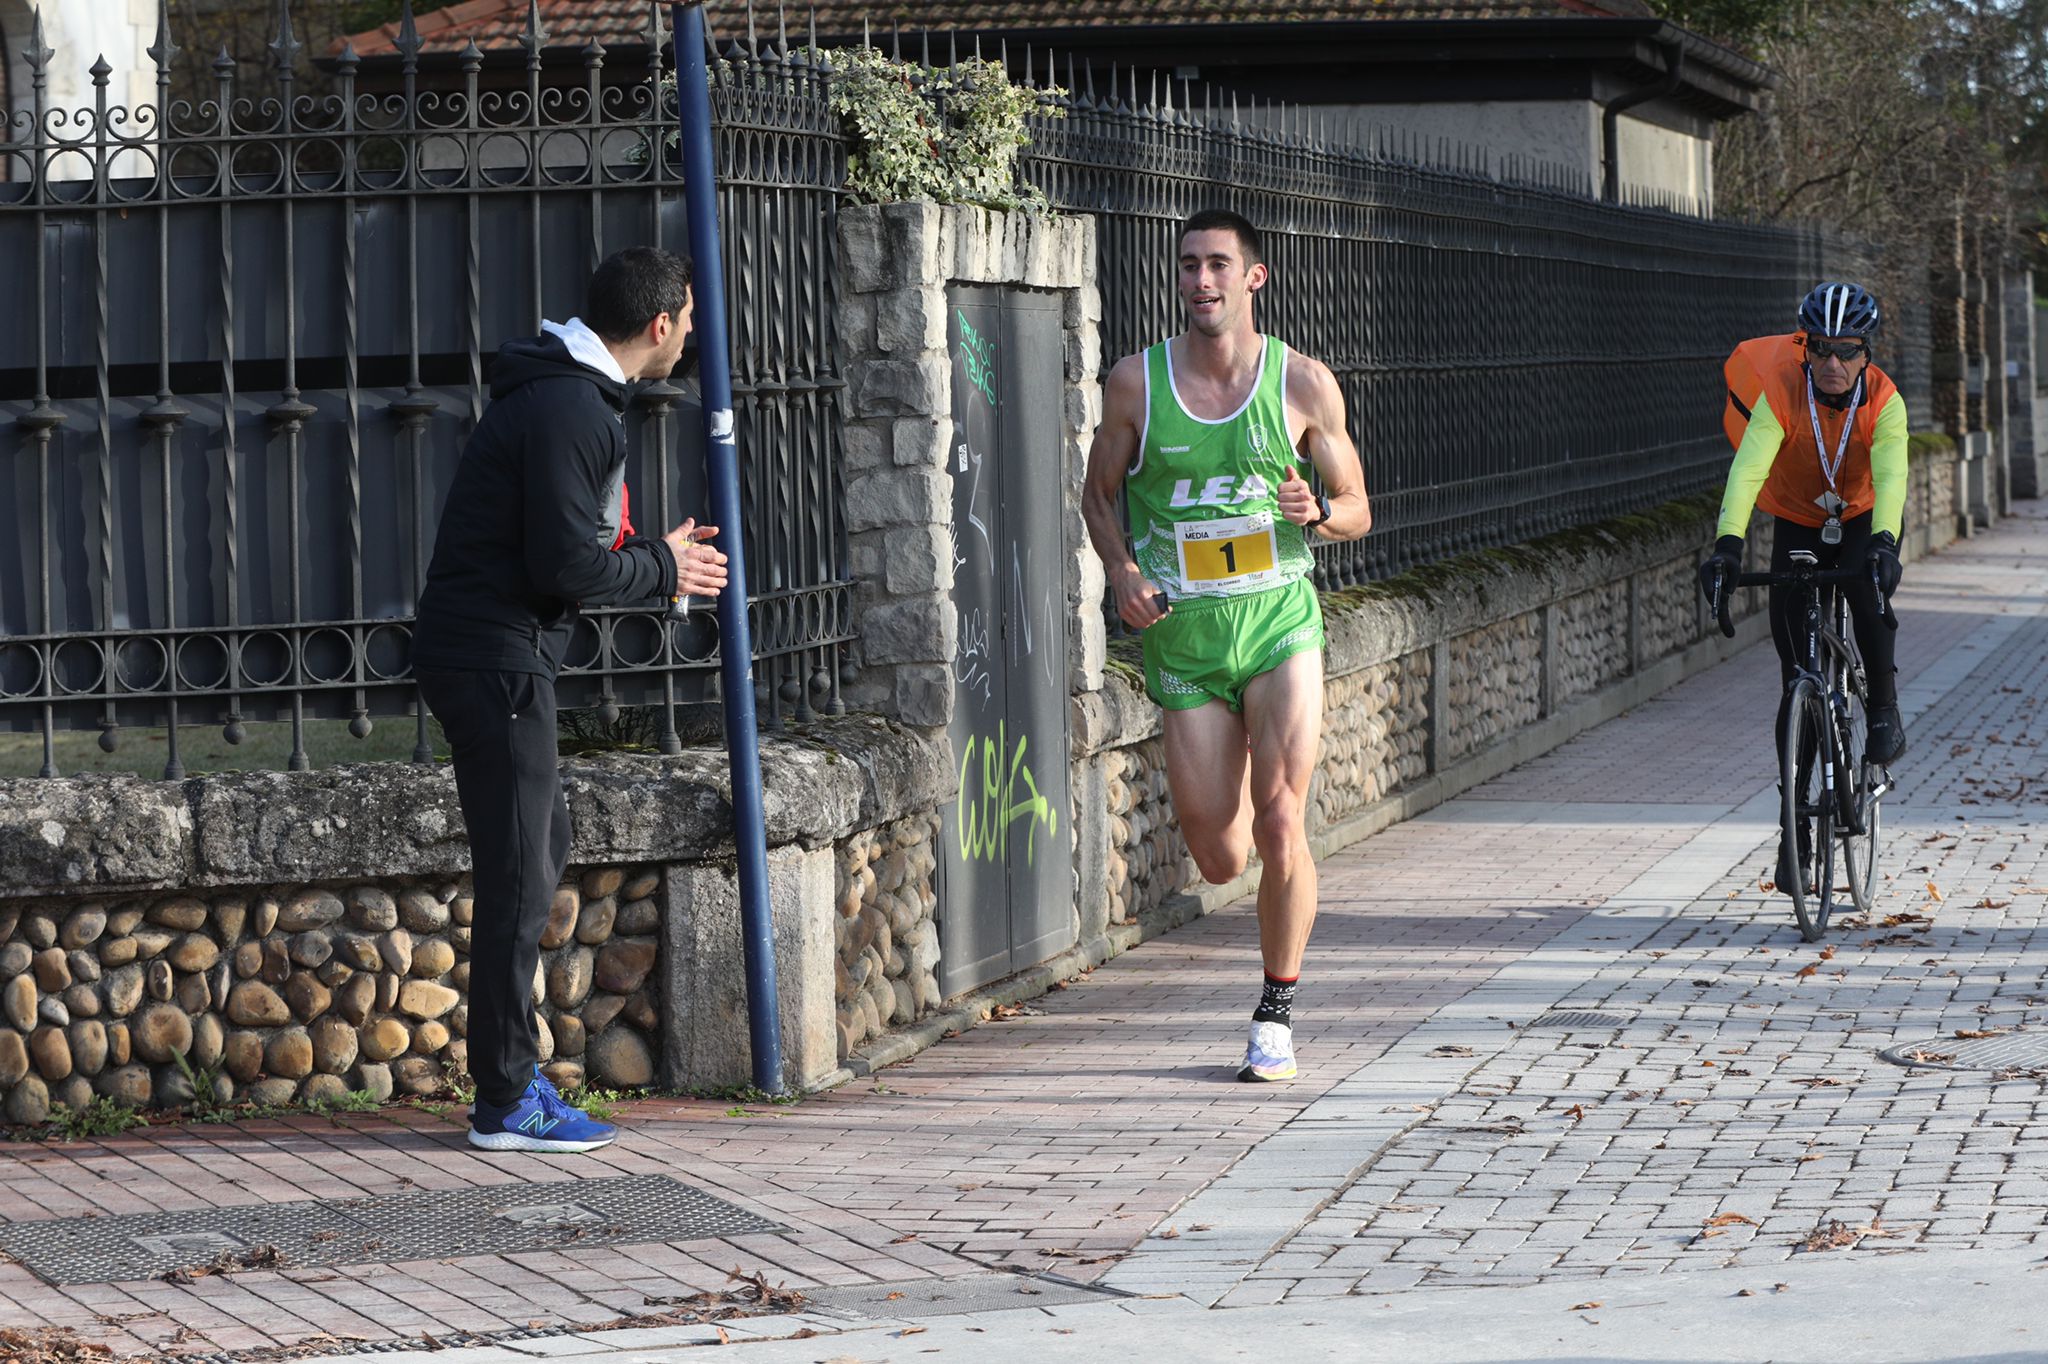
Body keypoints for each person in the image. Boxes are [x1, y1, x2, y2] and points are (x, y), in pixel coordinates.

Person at [410, 246, 729, 1152]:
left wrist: (648, 561)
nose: (692, 334)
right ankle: (505, 1101)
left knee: (535, 854)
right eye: (690, 319)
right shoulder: (569, 406)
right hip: (494, 660)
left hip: (497, 655)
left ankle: (508, 1090)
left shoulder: (568, 395)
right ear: (660, 325)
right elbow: (561, 566)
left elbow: (568, 549)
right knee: (518, 875)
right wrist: (662, 567)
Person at [1082, 209, 1371, 1084]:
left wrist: (1318, 514)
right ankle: (1246, 828)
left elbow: (1358, 506)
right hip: (1185, 636)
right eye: (1187, 266)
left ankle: (1275, 1013)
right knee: (1219, 855)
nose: (1200, 281)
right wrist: (1124, 573)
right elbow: (1098, 498)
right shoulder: (1136, 384)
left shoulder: (1305, 385)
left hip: (1278, 620)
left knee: (1284, 816)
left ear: (1254, 279)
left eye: (1218, 265)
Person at [1699, 281, 1908, 887]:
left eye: (1847, 351)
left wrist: (1885, 545)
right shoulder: (1781, 393)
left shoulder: (1885, 402)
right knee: (1798, 679)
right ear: (1805, 349)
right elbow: (1747, 472)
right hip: (1797, 516)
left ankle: (1885, 714)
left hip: (1864, 514)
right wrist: (1728, 547)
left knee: (1869, 595)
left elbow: (1893, 476)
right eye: (1820, 350)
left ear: (1866, 353)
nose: (1833, 364)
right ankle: (1796, 824)